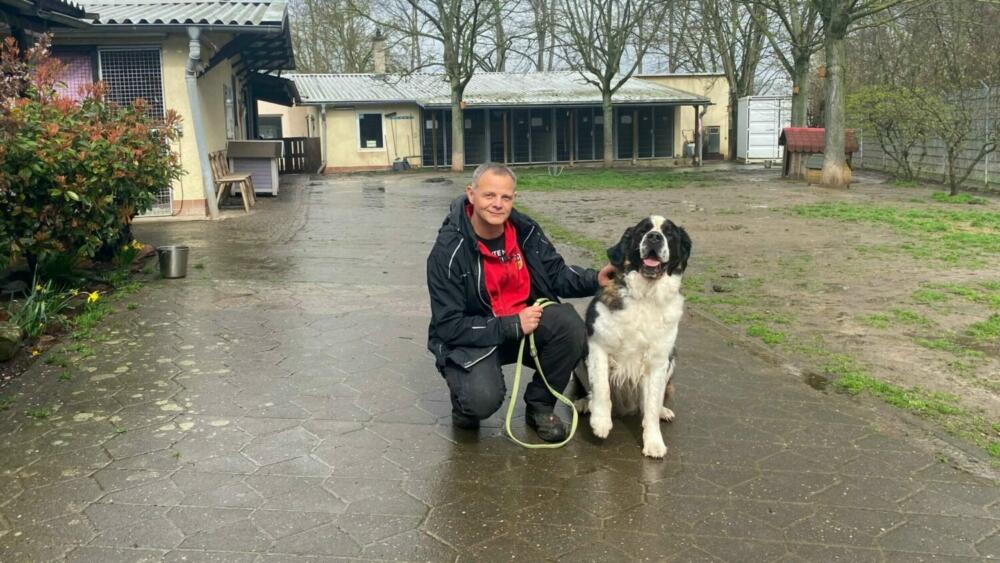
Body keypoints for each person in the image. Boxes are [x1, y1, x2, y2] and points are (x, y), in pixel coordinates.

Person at [426, 162, 615, 442]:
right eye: (489, 195)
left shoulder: (525, 230)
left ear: (514, 198)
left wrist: (595, 278)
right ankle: (464, 403)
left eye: (506, 197)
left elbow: (555, 273)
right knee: (481, 400)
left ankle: (540, 405)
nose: (498, 204)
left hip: (525, 325)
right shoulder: (448, 252)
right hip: (473, 338)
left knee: (570, 326)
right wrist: (512, 325)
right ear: (471, 194)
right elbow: (449, 326)